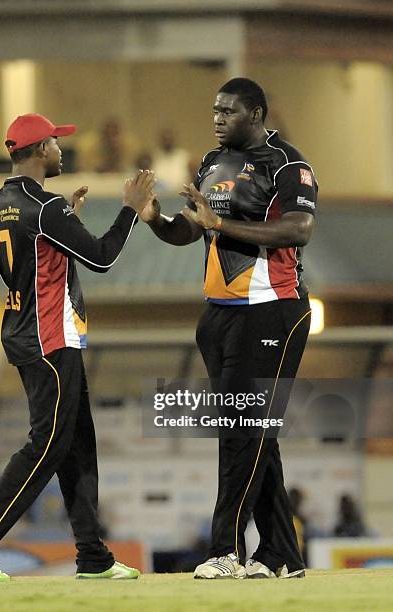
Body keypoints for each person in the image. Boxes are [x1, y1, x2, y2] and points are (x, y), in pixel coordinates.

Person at [0, 113, 155, 582]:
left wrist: (66, 222)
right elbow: (101, 257)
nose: (62, 150)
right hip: (50, 338)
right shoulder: (45, 206)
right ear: (40, 150)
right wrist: (131, 209)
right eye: (57, 143)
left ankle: (92, 556)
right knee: (48, 445)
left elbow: (34, 262)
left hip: (24, 331)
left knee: (78, 446)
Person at [140, 78, 317, 580]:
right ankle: (282, 553)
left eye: (228, 111)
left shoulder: (288, 164)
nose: (217, 118)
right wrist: (154, 218)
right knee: (253, 435)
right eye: (214, 110)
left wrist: (223, 227)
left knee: (243, 434)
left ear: (256, 113)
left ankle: (226, 551)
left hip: (272, 310)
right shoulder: (213, 163)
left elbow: (298, 230)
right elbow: (187, 230)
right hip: (219, 315)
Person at [152, 128, 191, 192]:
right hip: (160, 197)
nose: (167, 142)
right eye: (165, 139)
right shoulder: (154, 158)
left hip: (181, 196)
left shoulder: (184, 158)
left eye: (169, 139)